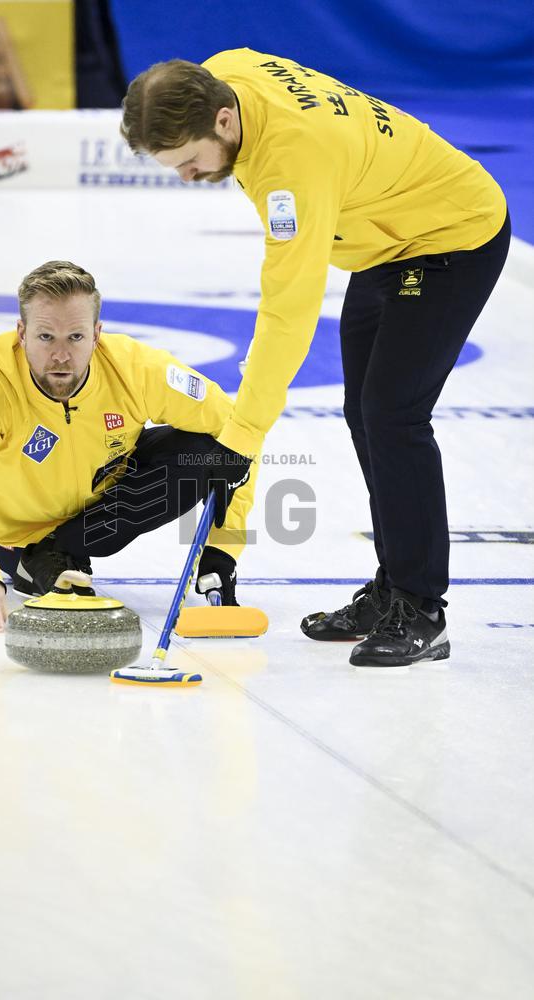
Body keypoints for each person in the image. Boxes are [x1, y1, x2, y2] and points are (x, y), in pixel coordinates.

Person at [120, 49, 510, 668]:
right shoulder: (227, 71)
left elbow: (289, 311)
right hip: (383, 237)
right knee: (365, 412)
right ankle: (393, 587)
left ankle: (421, 607)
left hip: (450, 236)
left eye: (189, 163)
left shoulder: (290, 165)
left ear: (223, 121)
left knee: (393, 414)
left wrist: (241, 436)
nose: (188, 178)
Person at [0, 260, 255, 633]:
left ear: (97, 335)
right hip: (14, 534)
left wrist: (223, 550)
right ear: (21, 332)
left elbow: (242, 433)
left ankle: (65, 547)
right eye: (46, 337)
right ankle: (38, 557)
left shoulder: (137, 369)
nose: (61, 356)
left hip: (98, 518)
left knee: (210, 452)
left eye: (75, 337)